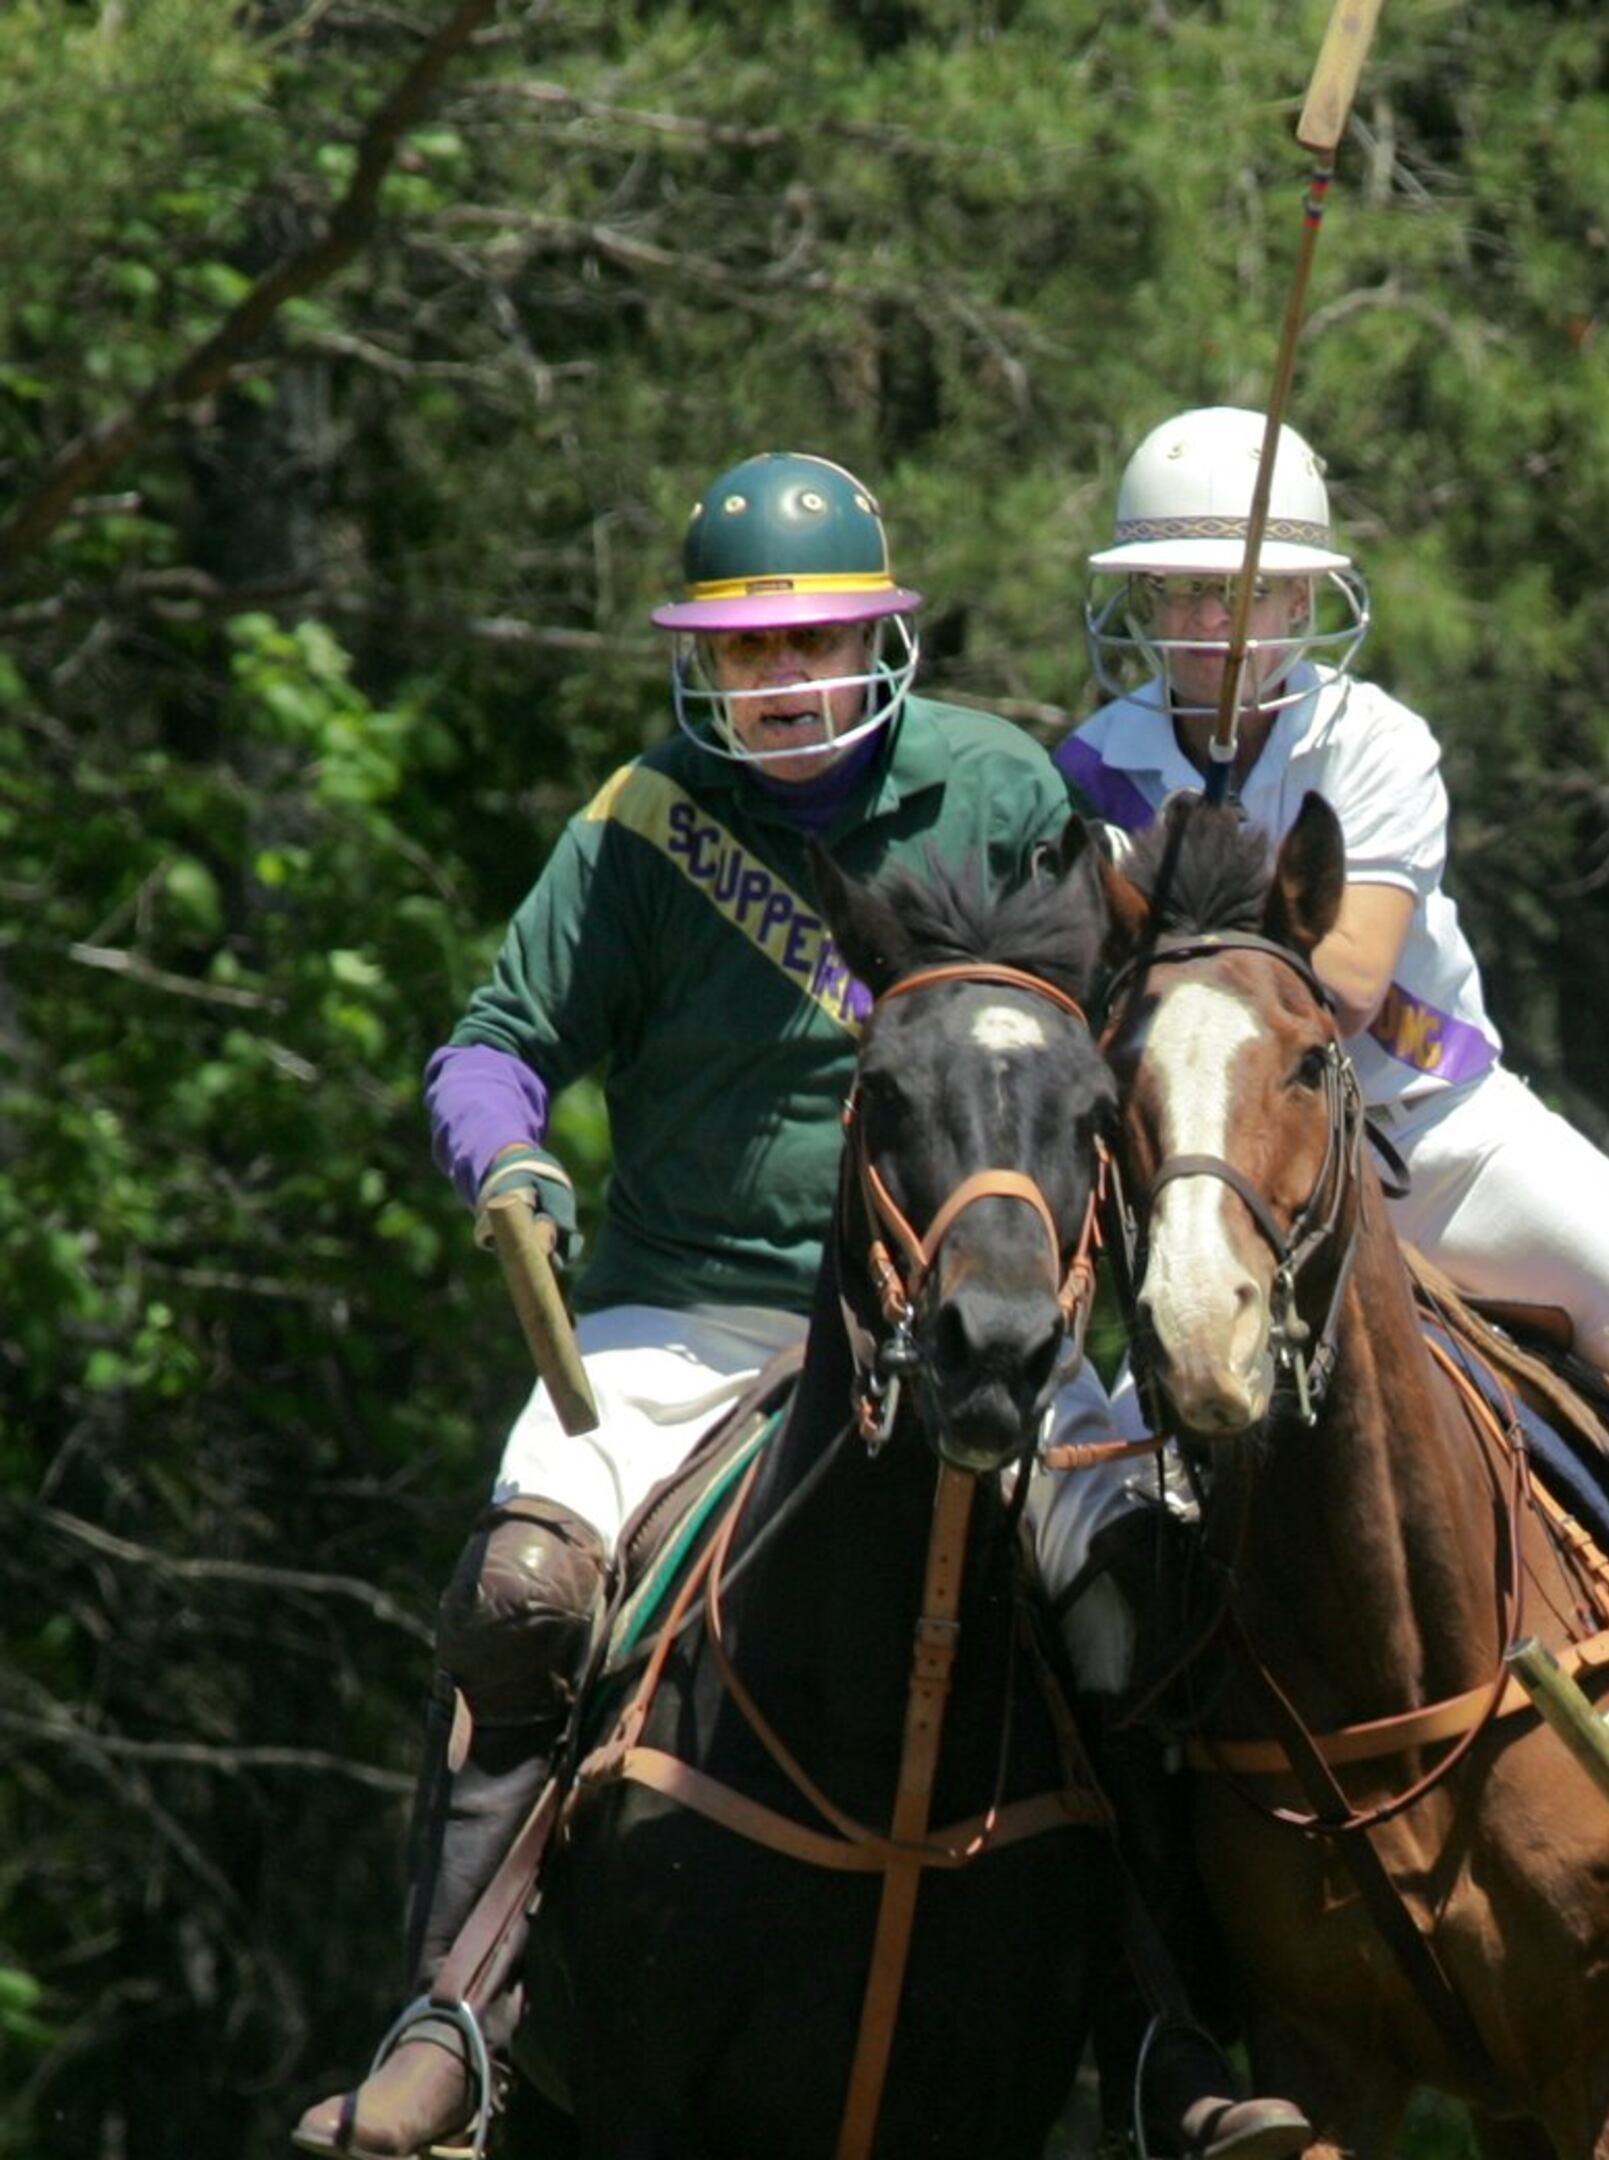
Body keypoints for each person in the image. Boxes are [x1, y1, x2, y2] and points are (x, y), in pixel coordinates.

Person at [290, 453, 1297, 2159]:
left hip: (981, 1314)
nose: (786, 682)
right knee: (525, 1595)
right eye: (748, 654)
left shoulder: (1000, 788)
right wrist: (511, 1169)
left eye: (819, 643)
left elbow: (1151, 988)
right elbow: (492, 1044)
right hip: (684, 1323)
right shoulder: (636, 823)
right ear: (703, 665)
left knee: (1135, 1601)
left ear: (886, 641)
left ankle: (1162, 2034)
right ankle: (453, 2016)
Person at [1052, 407, 1609, 1499]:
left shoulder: (1375, 741)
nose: (1214, 624)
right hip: (1232, 1182)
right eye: (1182, 590)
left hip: (1441, 1149)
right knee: (1099, 1494)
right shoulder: (1092, 770)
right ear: (1140, 601)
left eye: (1246, 591)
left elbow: (1355, 985)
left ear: (1303, 597)